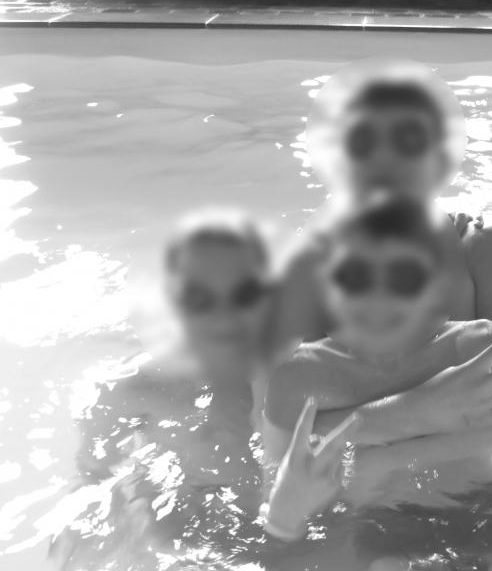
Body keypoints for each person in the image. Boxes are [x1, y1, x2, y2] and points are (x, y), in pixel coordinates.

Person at [263, 195, 492, 570]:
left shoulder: (483, 347)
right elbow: (278, 507)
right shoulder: (300, 380)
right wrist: (286, 516)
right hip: (387, 531)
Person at [50, 209, 359, 570]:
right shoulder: (130, 391)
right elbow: (91, 482)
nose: (225, 318)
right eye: (202, 301)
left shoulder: (312, 373)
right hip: (182, 538)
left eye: (243, 297)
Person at [268, 65, 492, 413]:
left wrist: (395, 418)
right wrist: (412, 414)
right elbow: (279, 419)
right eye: (364, 142)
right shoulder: (308, 264)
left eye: (407, 140)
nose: (385, 159)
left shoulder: (481, 249)